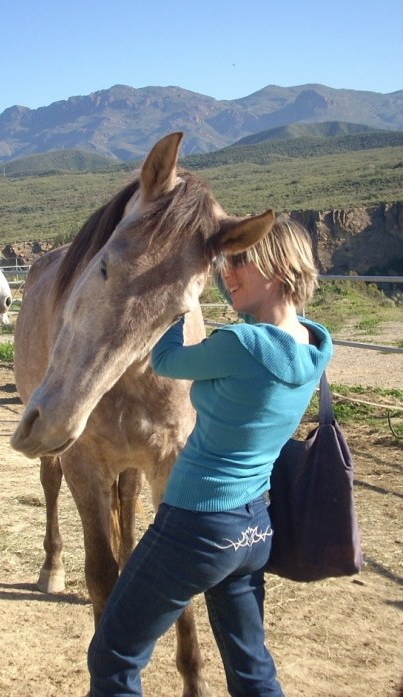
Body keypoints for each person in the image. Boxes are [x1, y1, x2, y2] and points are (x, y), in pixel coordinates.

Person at [87, 215, 333, 696]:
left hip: (195, 528)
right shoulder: (313, 342)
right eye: (225, 263)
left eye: (240, 260)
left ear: (280, 266)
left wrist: (182, 300)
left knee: (113, 653)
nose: (227, 272)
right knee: (251, 666)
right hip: (254, 528)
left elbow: (165, 360)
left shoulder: (242, 344)